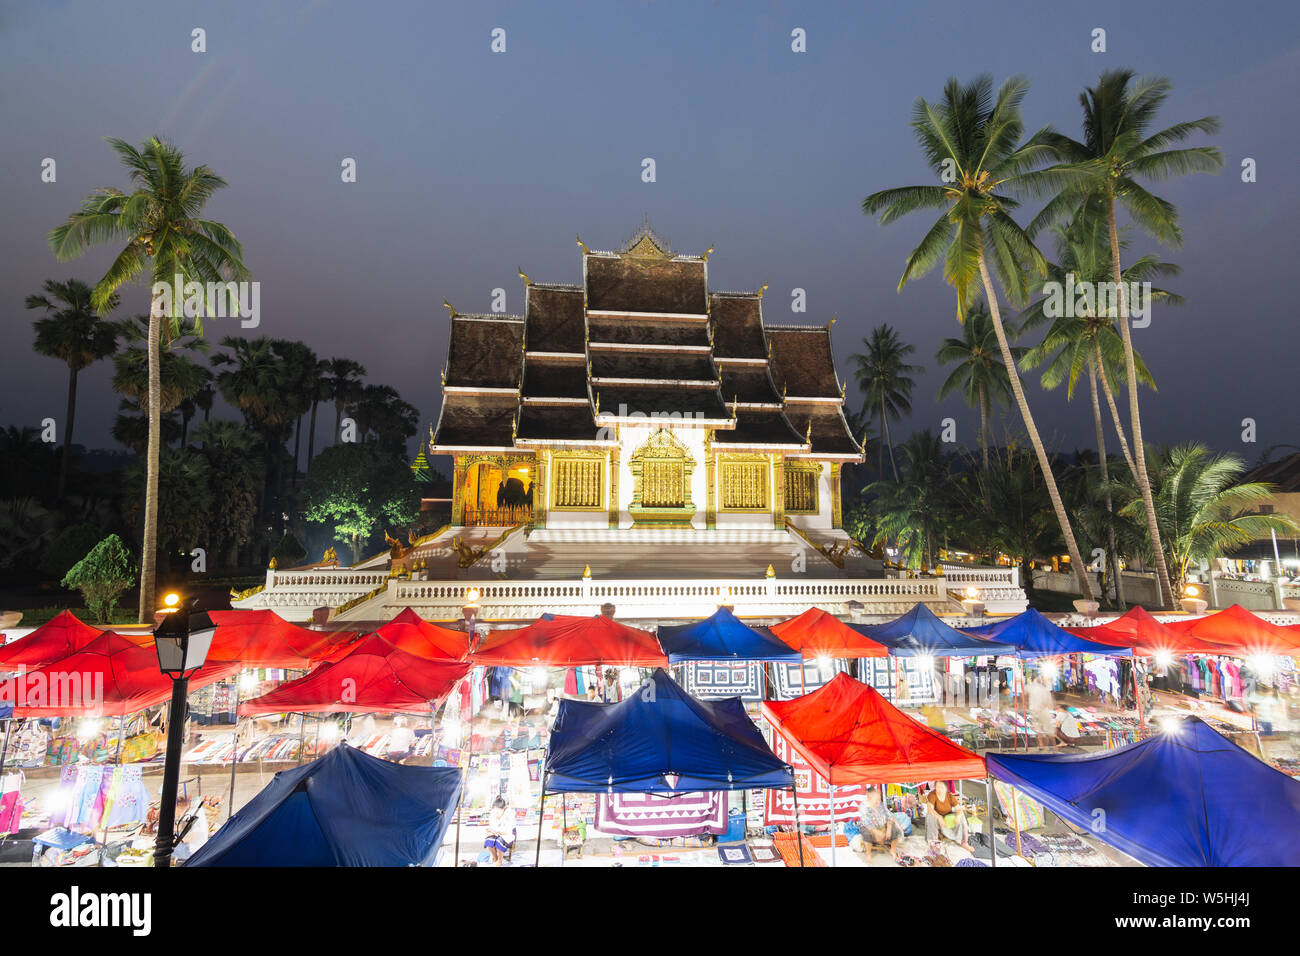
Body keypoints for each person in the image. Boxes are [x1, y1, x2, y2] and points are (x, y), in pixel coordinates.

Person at [857, 787, 904, 861]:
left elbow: (889, 816)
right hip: (869, 827)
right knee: (866, 833)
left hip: (881, 825)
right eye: (876, 798)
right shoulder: (863, 806)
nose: (878, 800)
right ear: (869, 797)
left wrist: (888, 829)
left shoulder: (880, 804)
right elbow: (867, 823)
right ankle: (868, 854)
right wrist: (877, 833)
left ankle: (893, 850)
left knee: (894, 829)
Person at [923, 781, 972, 852]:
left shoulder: (949, 796)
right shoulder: (932, 795)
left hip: (947, 818)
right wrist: (939, 818)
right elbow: (930, 809)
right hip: (936, 818)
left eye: (942, 787)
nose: (939, 789)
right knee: (930, 816)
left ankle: (964, 842)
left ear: (946, 788)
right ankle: (933, 842)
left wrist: (958, 816)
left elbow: (959, 809)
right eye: (937, 787)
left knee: (962, 816)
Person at [171, 795, 209, 863]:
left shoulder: (194, 813)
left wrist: (175, 841)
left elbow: (193, 837)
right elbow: (181, 827)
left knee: (167, 850)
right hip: (191, 846)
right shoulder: (188, 811)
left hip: (192, 850)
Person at [483, 796, 515, 866]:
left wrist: (496, 830)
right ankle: (495, 858)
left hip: (507, 835)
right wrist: (491, 830)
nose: (496, 812)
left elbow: (508, 830)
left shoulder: (509, 814)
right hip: (497, 833)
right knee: (489, 839)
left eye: (498, 810)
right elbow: (492, 826)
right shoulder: (493, 814)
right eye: (495, 809)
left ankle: (500, 861)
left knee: (499, 840)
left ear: (504, 809)